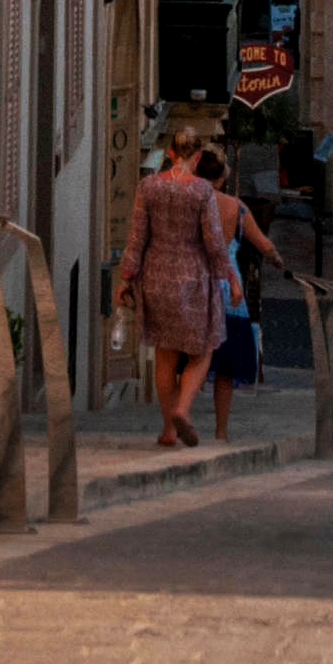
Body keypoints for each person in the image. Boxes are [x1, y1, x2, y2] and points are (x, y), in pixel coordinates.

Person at [116, 145, 236, 446]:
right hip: (194, 280)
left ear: (170, 152)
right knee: (202, 351)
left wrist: (126, 278)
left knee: (165, 355)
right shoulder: (201, 192)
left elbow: (136, 237)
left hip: (156, 279)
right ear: (196, 156)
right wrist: (231, 279)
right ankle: (183, 408)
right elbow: (214, 242)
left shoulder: (149, 186)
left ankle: (169, 430)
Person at [196, 145, 288, 444]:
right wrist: (276, 259)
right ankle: (221, 433)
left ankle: (175, 421)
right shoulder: (237, 209)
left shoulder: (189, 204)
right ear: (222, 178)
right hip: (228, 295)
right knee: (225, 369)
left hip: (193, 289)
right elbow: (264, 244)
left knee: (187, 361)